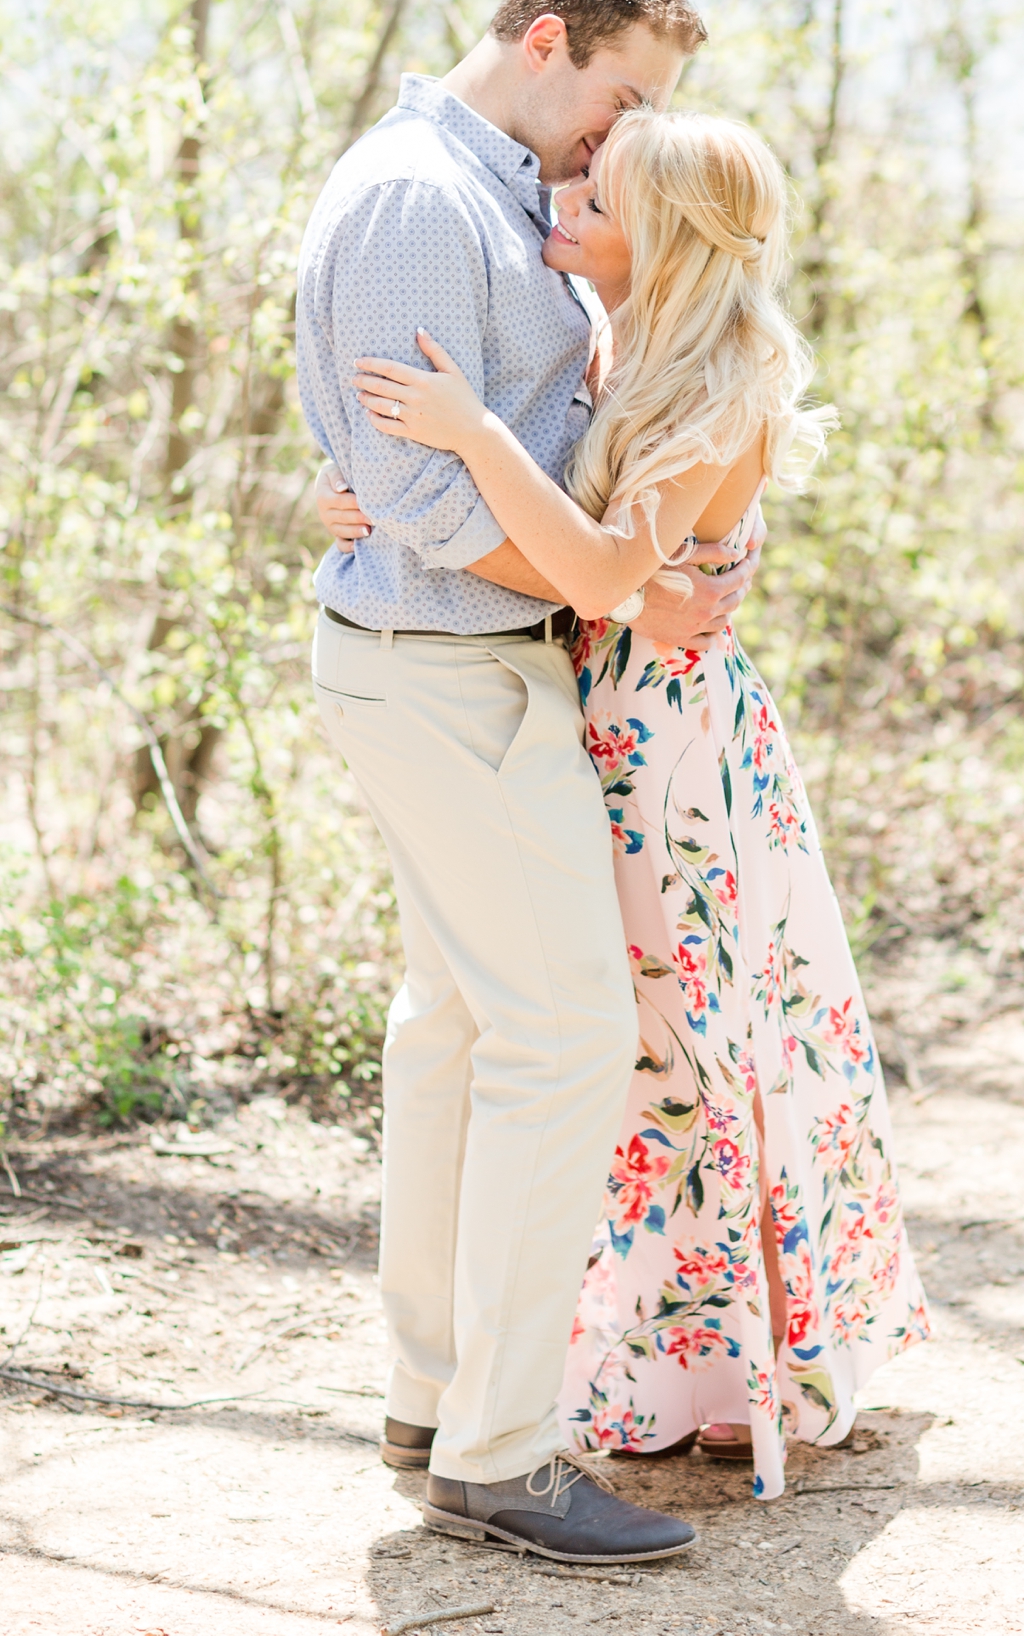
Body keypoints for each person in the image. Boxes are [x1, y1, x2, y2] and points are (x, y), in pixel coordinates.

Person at [334, 107, 929, 1503]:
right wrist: (372, 495)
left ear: (657, 235)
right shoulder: (622, 350)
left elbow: (601, 567)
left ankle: (738, 1372)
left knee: (690, 1039)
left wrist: (471, 441)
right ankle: (653, 1363)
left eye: (595, 197)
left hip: (669, 760)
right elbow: (586, 555)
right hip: (594, 720)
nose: (564, 203)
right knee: (631, 1042)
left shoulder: (722, 381)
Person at [296, 0, 759, 1565]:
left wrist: (668, 541)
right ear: (550, 37)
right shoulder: (430, 195)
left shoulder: (490, 189)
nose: (617, 139)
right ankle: (502, 1445)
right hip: (455, 673)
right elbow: (424, 492)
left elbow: (432, 446)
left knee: (453, 1028)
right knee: (563, 1034)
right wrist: (614, 579)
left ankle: (434, 1395)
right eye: (620, 97)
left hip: (455, 659)